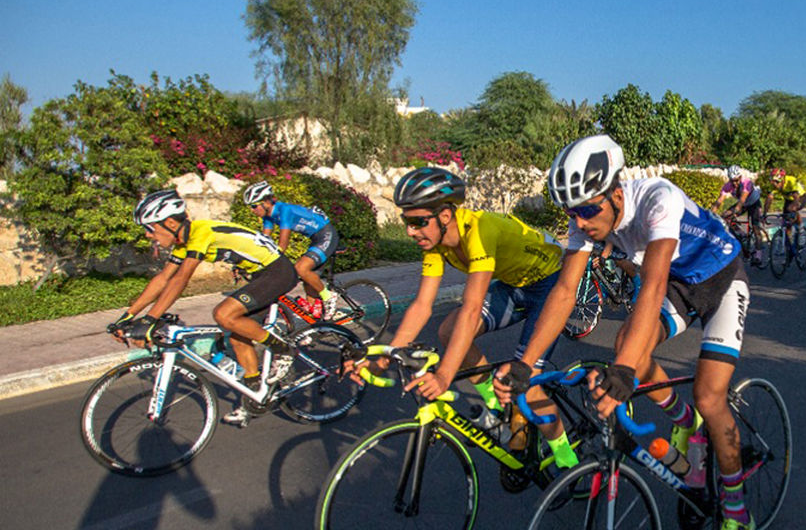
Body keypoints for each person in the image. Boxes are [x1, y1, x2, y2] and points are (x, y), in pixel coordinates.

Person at [493, 134, 754, 530]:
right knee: (625, 348)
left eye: (589, 209)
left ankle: (735, 508)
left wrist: (626, 374)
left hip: (720, 277)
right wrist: (525, 364)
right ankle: (683, 421)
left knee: (709, 397)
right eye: (571, 212)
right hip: (678, 284)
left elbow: (651, 286)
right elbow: (563, 292)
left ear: (616, 193)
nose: (581, 220)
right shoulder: (585, 220)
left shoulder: (659, 199)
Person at [353, 167, 576, 466]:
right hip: (514, 284)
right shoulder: (437, 244)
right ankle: (500, 407)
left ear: (445, 216)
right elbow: (421, 304)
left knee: (528, 380)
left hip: (549, 284)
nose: (410, 231)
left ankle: (568, 460)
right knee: (448, 330)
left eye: (418, 222)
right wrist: (384, 358)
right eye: (407, 222)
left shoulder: (479, 231)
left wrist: (445, 375)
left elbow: (471, 310)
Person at [111, 189, 299, 425]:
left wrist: (150, 319)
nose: (149, 236)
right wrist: (127, 317)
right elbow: (162, 279)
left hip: (277, 271)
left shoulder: (201, 232)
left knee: (223, 314)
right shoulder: (184, 242)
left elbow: (181, 279)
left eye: (150, 228)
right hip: (259, 276)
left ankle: (285, 349)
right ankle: (256, 398)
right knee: (238, 336)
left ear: (170, 223)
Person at [242, 181, 339, 318]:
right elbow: (264, 242)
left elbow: (282, 245)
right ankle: (314, 326)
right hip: (315, 238)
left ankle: (329, 297)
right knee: (307, 280)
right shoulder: (267, 217)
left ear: (265, 202)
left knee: (301, 268)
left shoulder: (284, 211)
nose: (252, 210)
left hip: (325, 234)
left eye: (254, 206)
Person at [712, 164, 766, 267]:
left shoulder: (747, 183)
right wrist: (712, 213)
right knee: (725, 217)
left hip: (753, 203)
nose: (735, 183)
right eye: (732, 181)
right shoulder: (728, 186)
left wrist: (735, 211)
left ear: (740, 177)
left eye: (736, 180)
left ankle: (758, 255)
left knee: (755, 228)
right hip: (744, 204)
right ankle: (741, 234)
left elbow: (742, 200)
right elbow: (719, 201)